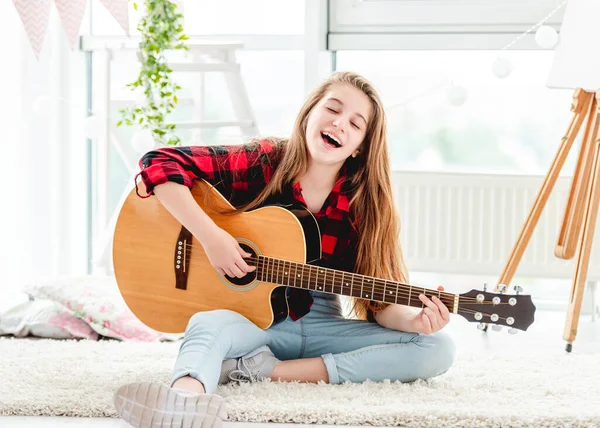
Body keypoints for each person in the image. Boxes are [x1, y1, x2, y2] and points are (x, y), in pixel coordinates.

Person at [113, 71, 455, 428]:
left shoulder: (368, 205)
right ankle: (183, 400)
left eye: (355, 124)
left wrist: (415, 320)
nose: (339, 124)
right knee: (207, 324)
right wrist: (213, 239)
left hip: (322, 323)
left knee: (436, 348)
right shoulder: (265, 160)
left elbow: (380, 304)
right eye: (332, 109)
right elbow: (158, 162)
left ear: (360, 147)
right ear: (309, 113)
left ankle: (264, 370)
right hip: (253, 322)